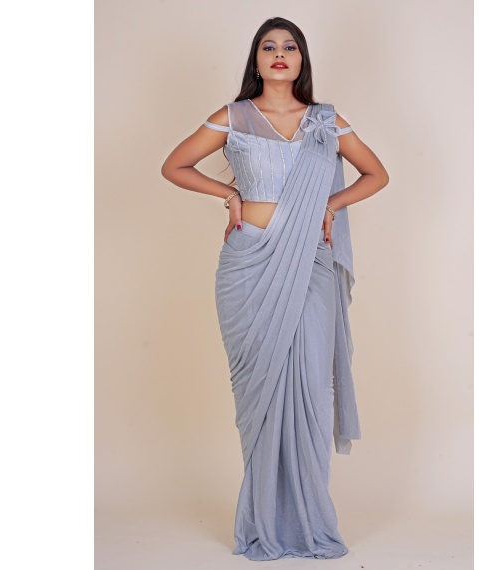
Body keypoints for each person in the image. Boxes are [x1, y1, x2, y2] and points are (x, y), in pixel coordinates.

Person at [161, 16, 389, 561]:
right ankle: (263, 521)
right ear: (257, 60)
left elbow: (376, 174)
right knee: (258, 395)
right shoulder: (233, 116)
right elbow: (174, 165)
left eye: (290, 46)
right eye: (269, 46)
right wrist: (229, 195)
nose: (280, 53)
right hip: (247, 266)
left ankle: (308, 523)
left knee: (310, 388)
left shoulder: (326, 121)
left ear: (302, 59)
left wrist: (330, 205)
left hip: (309, 264)